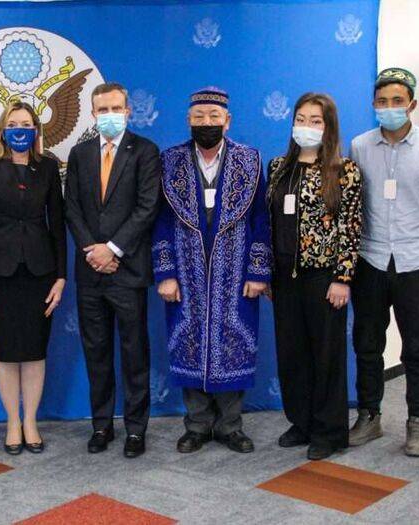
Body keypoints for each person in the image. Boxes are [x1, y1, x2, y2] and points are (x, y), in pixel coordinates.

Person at [152, 87, 272, 455]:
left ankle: (231, 426)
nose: (207, 122)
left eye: (214, 116)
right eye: (199, 116)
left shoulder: (249, 161)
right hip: (186, 272)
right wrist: (165, 273)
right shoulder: (169, 161)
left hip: (234, 273)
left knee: (234, 344)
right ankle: (197, 425)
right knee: (188, 343)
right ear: (189, 120)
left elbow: (261, 218)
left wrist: (258, 272)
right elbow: (160, 220)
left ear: (227, 121)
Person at [348, 68, 419, 456]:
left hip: (415, 262)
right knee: (367, 343)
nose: (389, 107)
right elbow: (356, 202)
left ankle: (417, 421)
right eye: (382, 102)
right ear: (373, 105)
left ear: (412, 104)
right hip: (370, 259)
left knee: (417, 346)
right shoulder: (360, 146)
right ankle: (369, 415)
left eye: (397, 101)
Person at [64, 82, 161, 458]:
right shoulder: (79, 153)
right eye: (102, 110)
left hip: (127, 269)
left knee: (134, 353)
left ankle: (136, 429)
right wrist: (94, 251)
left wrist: (113, 249)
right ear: (93, 114)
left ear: (128, 111)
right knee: (96, 352)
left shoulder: (145, 152)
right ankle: (101, 425)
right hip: (91, 270)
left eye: (116, 109)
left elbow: (147, 207)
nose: (109, 115)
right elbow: (72, 207)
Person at [267, 92, 363, 460]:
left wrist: (343, 278)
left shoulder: (344, 170)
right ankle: (302, 421)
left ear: (328, 127)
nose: (306, 126)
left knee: (326, 355)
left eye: (315, 121)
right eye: (301, 119)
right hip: (284, 278)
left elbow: (351, 227)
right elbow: (269, 222)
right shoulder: (278, 167)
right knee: (292, 353)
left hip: (325, 279)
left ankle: (329, 430)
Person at [0, 102, 67, 455]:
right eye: (13, 124)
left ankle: (31, 422)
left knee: (35, 351)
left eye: (25, 124)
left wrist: (61, 276)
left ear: (36, 130)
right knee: (7, 353)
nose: (19, 129)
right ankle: (13, 422)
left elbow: (58, 225)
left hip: (40, 273)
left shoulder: (48, 168)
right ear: (2, 130)